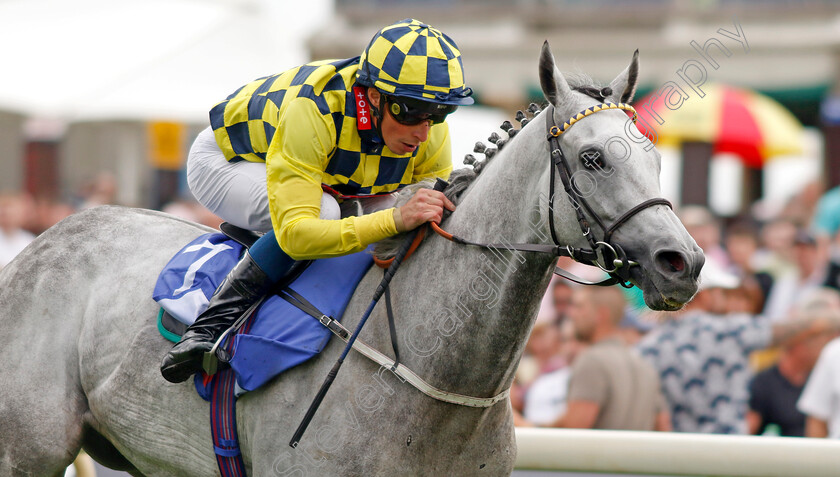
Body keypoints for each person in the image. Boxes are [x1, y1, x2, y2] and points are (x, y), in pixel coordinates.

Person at [160, 19, 472, 383]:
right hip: (231, 160)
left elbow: (422, 209)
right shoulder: (313, 110)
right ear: (374, 96)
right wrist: (394, 221)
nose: (424, 131)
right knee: (323, 215)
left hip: (323, 175)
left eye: (439, 113)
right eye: (412, 112)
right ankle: (206, 329)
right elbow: (298, 234)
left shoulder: (429, 129)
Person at [638, 260, 840, 434]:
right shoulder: (733, 330)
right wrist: (827, 318)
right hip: (728, 453)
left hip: (675, 456)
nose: (725, 300)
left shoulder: (650, 345)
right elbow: (790, 329)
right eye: (721, 292)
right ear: (705, 295)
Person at [548, 287, 670, 431]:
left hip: (593, 454)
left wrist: (525, 425)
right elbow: (663, 426)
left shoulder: (592, 361)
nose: (571, 314)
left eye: (579, 307)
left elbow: (573, 432)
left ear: (601, 314)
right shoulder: (645, 366)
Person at [747, 297, 840, 436]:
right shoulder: (763, 383)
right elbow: (747, 431)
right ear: (802, 338)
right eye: (827, 336)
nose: (830, 343)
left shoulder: (820, 372)